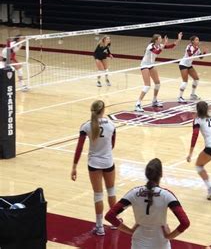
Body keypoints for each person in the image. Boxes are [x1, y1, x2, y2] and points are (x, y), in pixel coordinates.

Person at [105, 158, 190, 249]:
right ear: (161, 174)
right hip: (160, 243)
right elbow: (185, 223)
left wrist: (129, 231)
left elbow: (110, 216)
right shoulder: (167, 195)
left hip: (139, 242)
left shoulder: (134, 193)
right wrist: (169, 236)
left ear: (146, 174)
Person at [71, 100, 117, 236]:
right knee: (111, 191)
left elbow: (79, 148)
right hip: (108, 162)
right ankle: (114, 222)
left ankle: (99, 226)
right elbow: (113, 144)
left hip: (94, 164)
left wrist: (74, 166)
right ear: (103, 110)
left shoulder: (86, 126)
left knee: (98, 195)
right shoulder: (112, 124)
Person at [136, 32, 182, 112]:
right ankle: (138, 104)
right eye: (160, 38)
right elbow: (156, 52)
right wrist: (164, 44)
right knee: (147, 86)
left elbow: (171, 46)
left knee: (157, 83)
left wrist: (178, 39)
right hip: (144, 66)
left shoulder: (159, 45)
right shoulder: (150, 46)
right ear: (156, 40)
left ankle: (154, 100)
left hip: (151, 65)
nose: (162, 39)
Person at [178, 35, 207, 103]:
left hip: (189, 65)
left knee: (196, 79)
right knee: (185, 81)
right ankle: (180, 97)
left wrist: (204, 52)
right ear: (192, 41)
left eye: (198, 40)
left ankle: (192, 94)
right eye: (196, 40)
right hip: (183, 65)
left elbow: (201, 57)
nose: (198, 41)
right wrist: (196, 49)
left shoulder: (197, 48)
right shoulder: (189, 47)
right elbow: (190, 54)